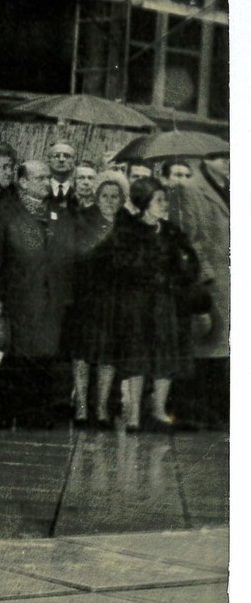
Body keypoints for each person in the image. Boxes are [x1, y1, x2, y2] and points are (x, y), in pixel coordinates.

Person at [0, 160, 77, 428]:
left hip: (52, 301)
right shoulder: (3, 212)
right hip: (18, 300)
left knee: (48, 358)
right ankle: (13, 414)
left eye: (49, 178)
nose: (48, 182)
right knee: (20, 358)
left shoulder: (58, 214)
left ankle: (39, 415)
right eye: (41, 178)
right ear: (22, 182)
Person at [101, 178, 204, 431]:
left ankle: (158, 411)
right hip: (136, 304)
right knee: (137, 356)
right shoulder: (127, 230)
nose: (164, 204)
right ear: (144, 202)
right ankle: (134, 415)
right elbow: (118, 265)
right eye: (159, 199)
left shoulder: (171, 231)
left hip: (165, 304)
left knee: (165, 356)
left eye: (165, 199)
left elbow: (190, 263)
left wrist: (180, 270)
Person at [167, 155, 229, 426]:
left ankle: (218, 412)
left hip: (230, 282)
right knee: (204, 344)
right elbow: (185, 237)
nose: (228, 161)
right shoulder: (188, 189)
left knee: (222, 349)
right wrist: (205, 276)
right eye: (220, 157)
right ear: (205, 160)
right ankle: (194, 412)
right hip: (209, 283)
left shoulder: (230, 187)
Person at [66, 170, 130, 427]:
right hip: (87, 296)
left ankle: (102, 408)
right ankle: (81, 407)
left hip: (116, 298)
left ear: (122, 199)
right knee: (82, 352)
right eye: (105, 195)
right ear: (97, 196)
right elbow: (74, 255)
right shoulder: (82, 220)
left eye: (115, 196)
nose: (110, 201)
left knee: (108, 353)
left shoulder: (128, 224)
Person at [47, 141, 78, 208]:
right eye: (56, 156)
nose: (61, 159)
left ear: (74, 160)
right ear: (49, 160)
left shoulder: (79, 192)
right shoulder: (41, 189)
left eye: (67, 156)